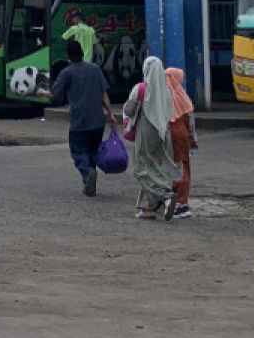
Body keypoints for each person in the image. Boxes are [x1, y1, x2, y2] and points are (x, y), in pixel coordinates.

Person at [43, 38, 116, 197]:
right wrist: (110, 114)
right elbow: (104, 94)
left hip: (80, 120)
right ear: (82, 53)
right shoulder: (95, 69)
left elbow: (54, 95)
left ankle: (87, 174)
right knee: (91, 152)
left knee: (77, 152)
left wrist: (38, 91)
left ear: (68, 56)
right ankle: (89, 183)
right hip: (98, 120)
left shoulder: (67, 72)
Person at [126, 56, 182, 221]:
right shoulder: (166, 91)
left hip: (146, 132)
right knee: (155, 167)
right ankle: (148, 208)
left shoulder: (141, 88)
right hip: (163, 133)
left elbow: (129, 110)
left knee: (141, 169)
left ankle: (166, 195)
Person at [164, 67, 199, 219]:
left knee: (169, 168)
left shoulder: (164, 98)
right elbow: (191, 124)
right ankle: (182, 203)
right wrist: (193, 142)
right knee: (184, 168)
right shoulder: (184, 98)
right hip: (183, 137)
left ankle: (170, 200)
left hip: (168, 137)